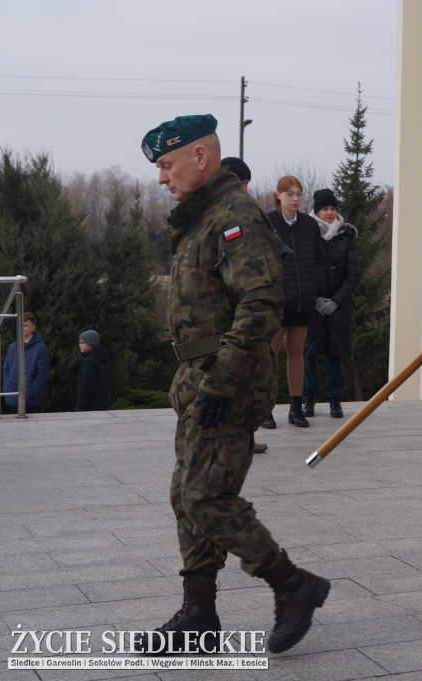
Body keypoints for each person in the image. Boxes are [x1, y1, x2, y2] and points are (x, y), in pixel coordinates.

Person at [138, 113, 329, 655]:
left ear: (201, 157)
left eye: (166, 164)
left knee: (205, 496)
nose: (160, 177)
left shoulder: (234, 214)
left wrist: (221, 382)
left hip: (229, 379)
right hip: (199, 376)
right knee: (185, 496)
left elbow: (261, 304)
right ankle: (199, 613)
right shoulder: (202, 215)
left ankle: (293, 584)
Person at [262, 175, 326, 429]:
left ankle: (295, 408)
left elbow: (321, 259)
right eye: (290, 194)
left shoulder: (310, 225)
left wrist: (313, 280)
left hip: (302, 301)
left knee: (296, 353)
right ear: (278, 195)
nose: (295, 199)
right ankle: (264, 409)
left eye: (298, 194)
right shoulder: (268, 221)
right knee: (269, 354)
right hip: (276, 302)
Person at [221, 156, 268, 453]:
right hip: (228, 307)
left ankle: (242, 437)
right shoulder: (227, 213)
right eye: (243, 184)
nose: (245, 190)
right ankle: (230, 438)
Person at [302, 188, 360, 419]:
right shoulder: (306, 233)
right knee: (309, 354)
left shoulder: (346, 236)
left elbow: (353, 275)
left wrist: (336, 301)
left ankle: (335, 400)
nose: (329, 212)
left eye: (332, 208)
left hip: (339, 306)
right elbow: (302, 270)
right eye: (325, 208)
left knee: (336, 354)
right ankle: (308, 399)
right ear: (317, 210)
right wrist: (314, 299)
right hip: (312, 305)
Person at [1, 311, 49, 413]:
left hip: (31, 402)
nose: (22, 328)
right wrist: (7, 389)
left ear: (33, 327)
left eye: (25, 325)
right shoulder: (13, 347)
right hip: (12, 398)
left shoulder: (40, 348)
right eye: (20, 325)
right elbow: (6, 370)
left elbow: (42, 374)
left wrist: (32, 392)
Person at [76, 329, 111, 411]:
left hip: (91, 408)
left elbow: (86, 388)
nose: (80, 345)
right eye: (79, 342)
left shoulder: (89, 362)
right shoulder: (102, 359)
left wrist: (81, 408)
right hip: (103, 406)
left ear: (90, 343)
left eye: (82, 342)